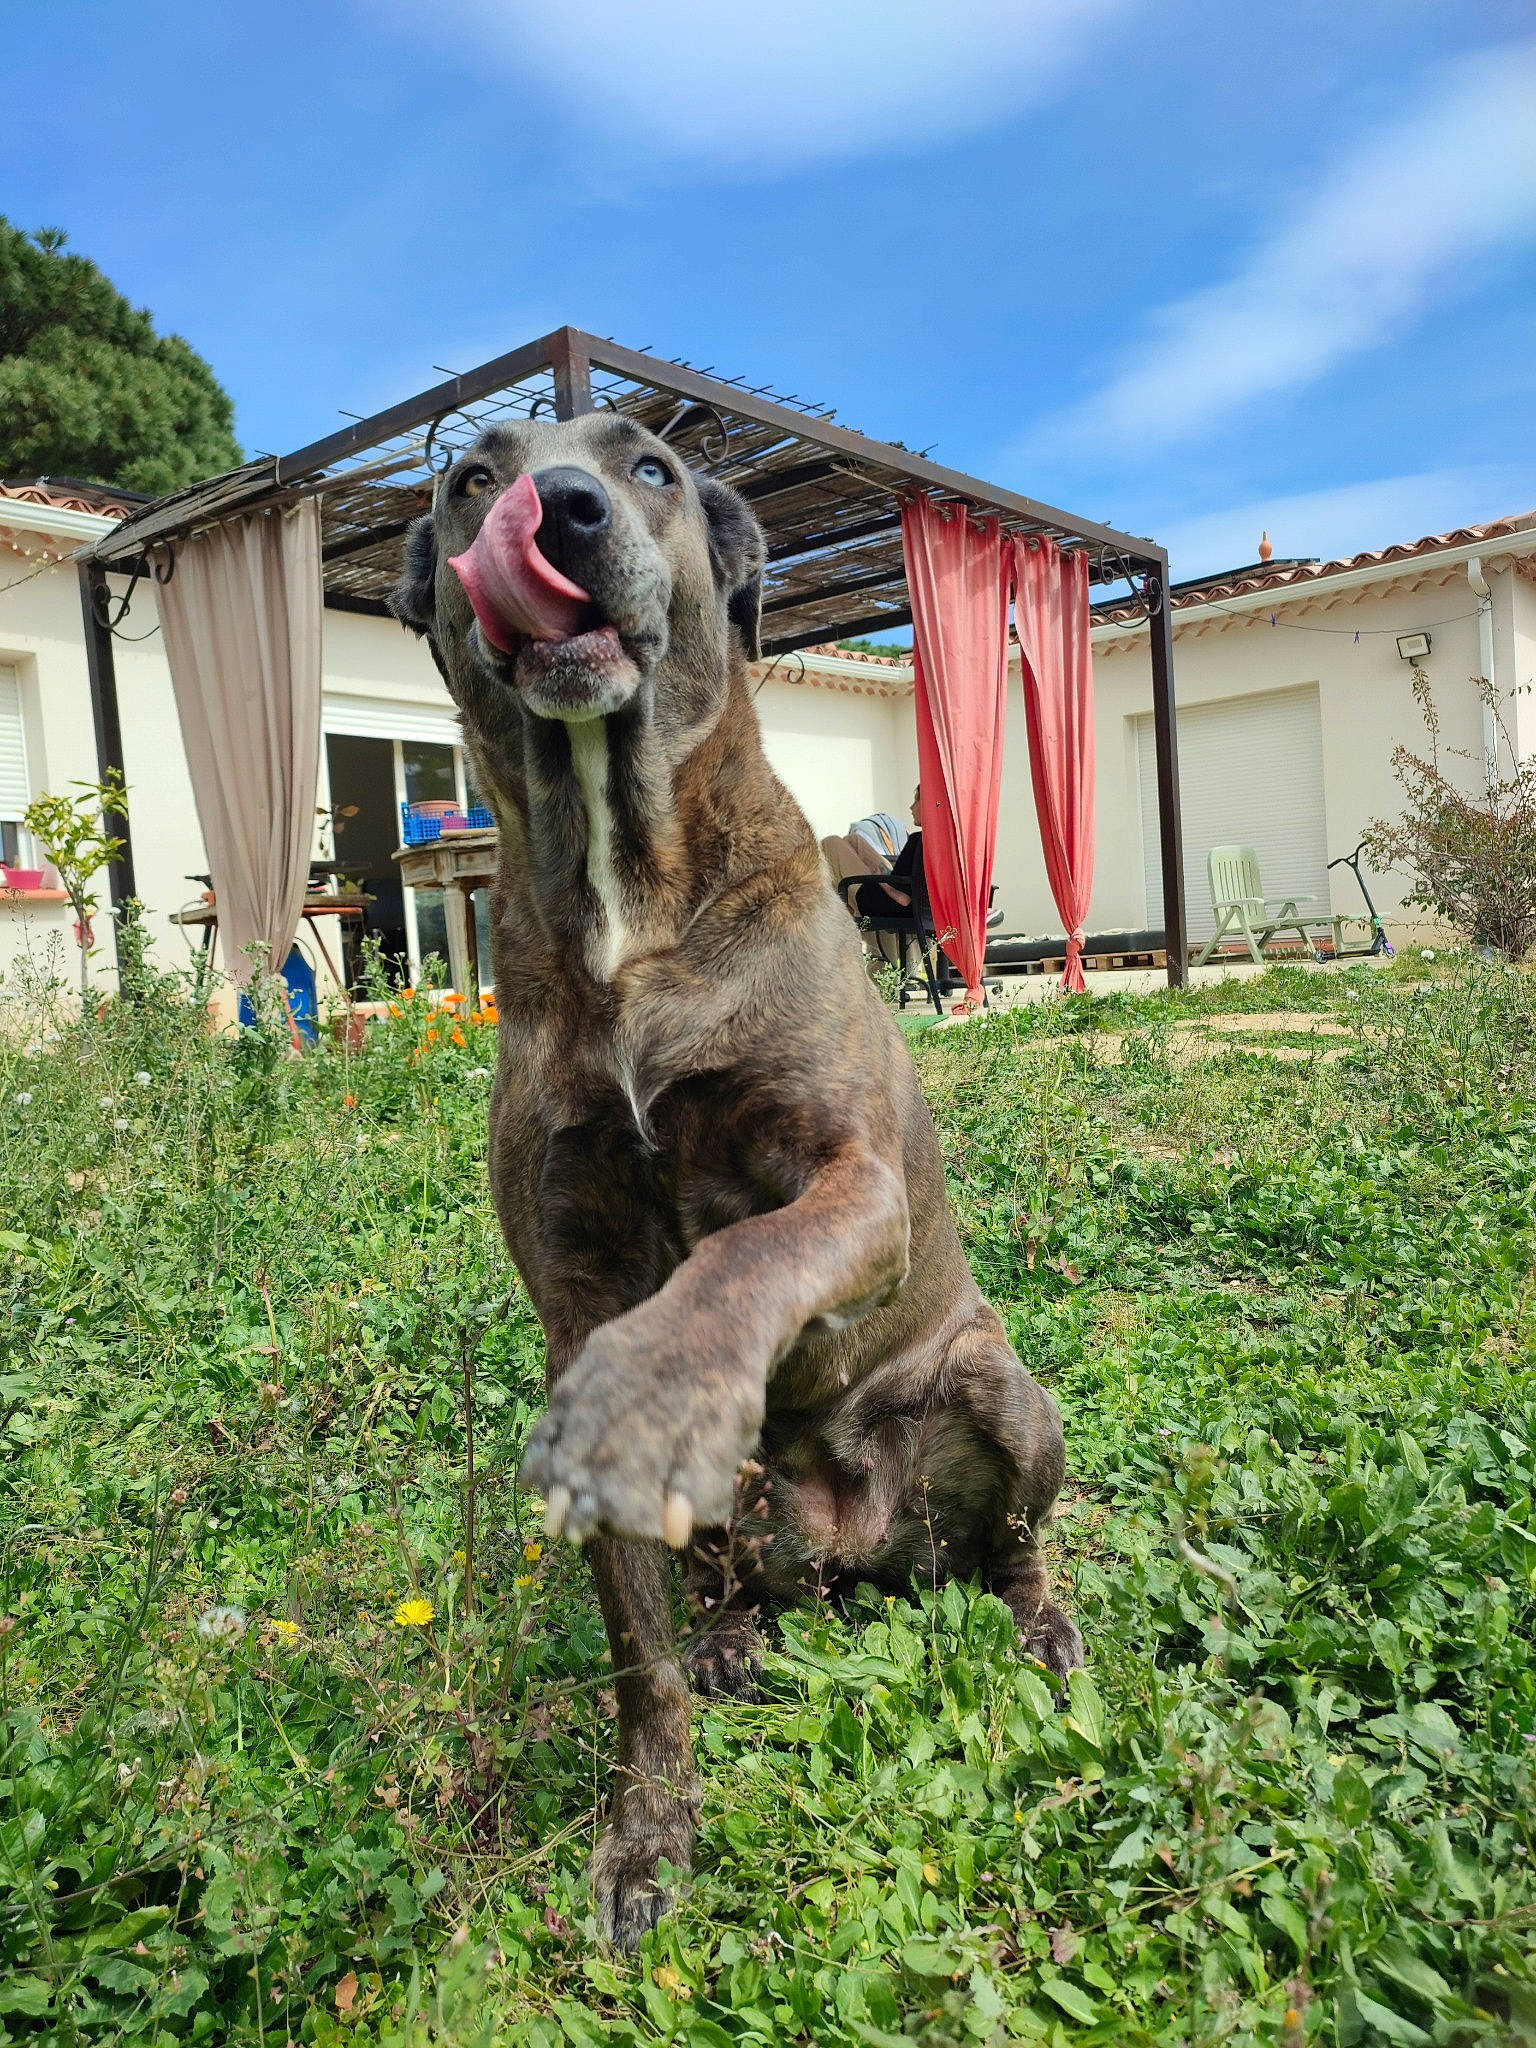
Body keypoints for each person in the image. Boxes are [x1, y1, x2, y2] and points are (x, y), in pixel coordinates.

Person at [849, 786, 923, 917]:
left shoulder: (917, 841)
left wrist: (882, 882)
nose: (911, 807)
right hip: (902, 894)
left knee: (831, 842)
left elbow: (904, 899)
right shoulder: (944, 841)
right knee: (854, 840)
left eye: (916, 800)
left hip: (884, 902)